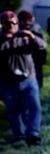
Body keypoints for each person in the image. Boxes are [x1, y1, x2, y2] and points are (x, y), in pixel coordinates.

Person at [0, 10, 46, 145]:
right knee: (13, 111)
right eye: (6, 23)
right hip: (7, 83)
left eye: (13, 23)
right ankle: (19, 136)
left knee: (34, 106)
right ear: (2, 24)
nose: (11, 26)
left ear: (18, 23)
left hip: (29, 79)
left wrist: (32, 37)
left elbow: (43, 46)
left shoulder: (26, 36)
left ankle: (33, 134)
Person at [18, 10, 47, 88]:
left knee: (37, 80)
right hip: (22, 62)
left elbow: (43, 45)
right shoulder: (16, 31)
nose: (28, 23)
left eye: (29, 20)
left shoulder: (36, 28)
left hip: (36, 59)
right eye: (25, 20)